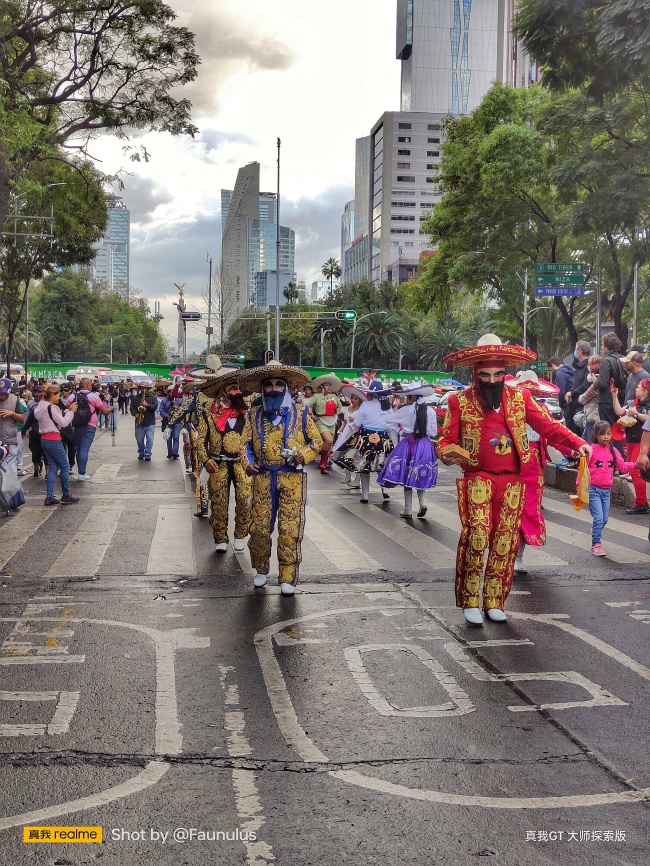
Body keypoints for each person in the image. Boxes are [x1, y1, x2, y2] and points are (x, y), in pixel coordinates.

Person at [437, 335, 591, 626]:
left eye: (498, 375)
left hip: (513, 481)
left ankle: (494, 600)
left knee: (505, 542)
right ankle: (470, 599)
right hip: (478, 477)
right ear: (475, 374)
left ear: (505, 373)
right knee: (478, 535)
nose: (492, 380)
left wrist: (575, 442)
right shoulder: (460, 401)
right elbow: (445, 439)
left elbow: (547, 426)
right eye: (485, 375)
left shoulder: (521, 398)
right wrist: (447, 452)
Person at [239, 360, 323, 596]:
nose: (273, 389)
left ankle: (287, 575)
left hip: (292, 480)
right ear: (263, 389)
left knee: (289, 528)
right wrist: (248, 463)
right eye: (268, 385)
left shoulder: (302, 412)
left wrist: (302, 455)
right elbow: (244, 444)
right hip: (263, 478)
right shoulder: (253, 414)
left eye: (278, 384)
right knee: (259, 528)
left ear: (286, 387)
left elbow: (316, 442)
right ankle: (261, 570)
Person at [196, 365, 251, 553]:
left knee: (245, 499)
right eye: (233, 389)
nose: (238, 392)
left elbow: (254, 440)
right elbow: (200, 441)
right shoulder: (209, 414)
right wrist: (205, 460)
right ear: (223, 392)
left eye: (239, 389)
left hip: (241, 463)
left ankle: (240, 534)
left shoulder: (248, 412)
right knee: (218, 502)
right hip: (217, 463)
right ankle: (220, 537)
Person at [378, 385, 438, 518]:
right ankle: (423, 503)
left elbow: (388, 423)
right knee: (419, 473)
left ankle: (408, 509)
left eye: (407, 397)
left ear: (412, 397)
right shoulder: (431, 411)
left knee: (407, 476)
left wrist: (401, 432)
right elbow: (433, 432)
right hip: (424, 444)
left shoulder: (406, 410)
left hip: (408, 443)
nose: (406, 400)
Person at [332, 381, 393, 504]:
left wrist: (351, 424)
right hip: (382, 439)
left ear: (370, 393)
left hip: (365, 438)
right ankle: (384, 490)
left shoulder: (366, 405)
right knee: (381, 465)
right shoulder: (387, 407)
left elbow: (357, 424)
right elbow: (390, 426)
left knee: (364, 467)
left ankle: (365, 495)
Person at [587, 421, 636, 556]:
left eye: (608, 433)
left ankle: (596, 530)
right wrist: (579, 485)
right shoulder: (590, 449)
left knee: (604, 519)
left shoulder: (613, 451)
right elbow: (582, 468)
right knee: (599, 519)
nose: (606, 437)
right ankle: (596, 544)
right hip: (594, 490)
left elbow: (622, 466)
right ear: (595, 435)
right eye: (602, 434)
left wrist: (636, 465)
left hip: (607, 491)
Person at [34, 384, 80, 506]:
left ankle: (49, 497)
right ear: (52, 395)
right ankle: (66, 495)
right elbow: (63, 423)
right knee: (65, 466)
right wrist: (72, 413)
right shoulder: (51, 408)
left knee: (53, 467)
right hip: (53, 439)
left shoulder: (41, 406)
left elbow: (53, 418)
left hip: (44, 439)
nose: (59, 397)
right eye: (57, 394)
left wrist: (67, 411)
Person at [611, 377, 650, 514]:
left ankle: (641, 502)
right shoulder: (634, 403)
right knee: (633, 470)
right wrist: (614, 397)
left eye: (638, 387)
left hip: (642, 441)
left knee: (637, 470)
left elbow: (648, 419)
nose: (636, 389)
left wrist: (637, 414)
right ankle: (641, 501)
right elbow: (619, 411)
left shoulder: (647, 405)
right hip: (631, 439)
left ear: (645, 390)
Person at [73, 377, 113, 480]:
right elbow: (104, 411)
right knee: (84, 449)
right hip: (90, 425)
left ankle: (79, 471)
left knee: (78, 449)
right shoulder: (93, 396)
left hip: (76, 425)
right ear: (88, 386)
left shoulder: (73, 396)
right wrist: (111, 409)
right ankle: (82, 473)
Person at [307, 375, 343, 474]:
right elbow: (307, 406)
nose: (329, 387)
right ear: (322, 387)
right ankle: (323, 462)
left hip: (332, 421)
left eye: (330, 385)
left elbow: (340, 407)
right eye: (326, 385)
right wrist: (312, 416)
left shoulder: (334, 396)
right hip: (321, 420)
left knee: (329, 443)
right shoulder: (317, 396)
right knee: (329, 440)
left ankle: (323, 465)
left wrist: (336, 413)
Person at [0, 377, 26, 511]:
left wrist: (12, 414)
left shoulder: (14, 400)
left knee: (11, 473)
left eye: (4, 393)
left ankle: (13, 499)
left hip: (10, 441)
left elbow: (22, 418)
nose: (2, 395)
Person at [130, 382, 157, 460]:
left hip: (150, 421)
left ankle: (147, 453)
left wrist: (147, 405)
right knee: (139, 439)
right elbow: (132, 408)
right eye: (142, 388)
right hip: (139, 422)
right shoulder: (135, 398)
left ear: (148, 389)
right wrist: (135, 414)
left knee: (150, 439)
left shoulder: (153, 397)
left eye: (145, 388)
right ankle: (141, 452)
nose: (143, 390)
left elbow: (155, 407)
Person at [548, 355, 574, 429]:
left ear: (552, 365)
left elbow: (561, 391)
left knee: (570, 427)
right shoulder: (572, 370)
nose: (551, 370)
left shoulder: (560, 373)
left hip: (568, 402)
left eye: (550, 368)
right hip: (576, 400)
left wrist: (561, 405)